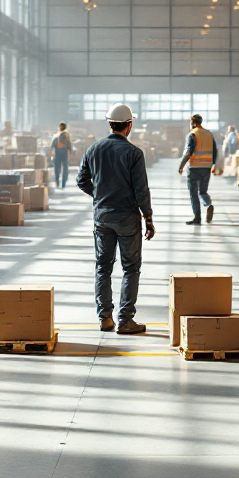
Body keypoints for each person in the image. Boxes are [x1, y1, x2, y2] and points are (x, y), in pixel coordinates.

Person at [76, 103, 154, 334]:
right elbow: (141, 190)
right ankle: (125, 320)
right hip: (127, 217)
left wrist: (100, 196)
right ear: (129, 125)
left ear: (109, 123)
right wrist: (148, 217)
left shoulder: (93, 149)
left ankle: (105, 318)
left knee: (103, 267)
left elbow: (82, 180)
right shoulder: (134, 153)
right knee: (130, 268)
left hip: (102, 217)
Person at [179, 113, 218, 225]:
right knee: (203, 191)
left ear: (194, 123)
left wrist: (181, 165)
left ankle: (197, 217)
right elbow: (215, 151)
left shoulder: (192, 134)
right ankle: (208, 205)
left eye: (191, 123)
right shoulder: (209, 134)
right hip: (206, 168)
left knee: (193, 193)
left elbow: (188, 152)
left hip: (194, 168)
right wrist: (212, 164)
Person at [51, 122, 73, 189]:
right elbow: (69, 146)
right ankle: (63, 184)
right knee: (65, 168)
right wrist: (70, 153)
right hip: (64, 152)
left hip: (57, 152)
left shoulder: (56, 135)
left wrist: (52, 154)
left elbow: (52, 146)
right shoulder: (67, 135)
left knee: (57, 168)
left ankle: (57, 182)